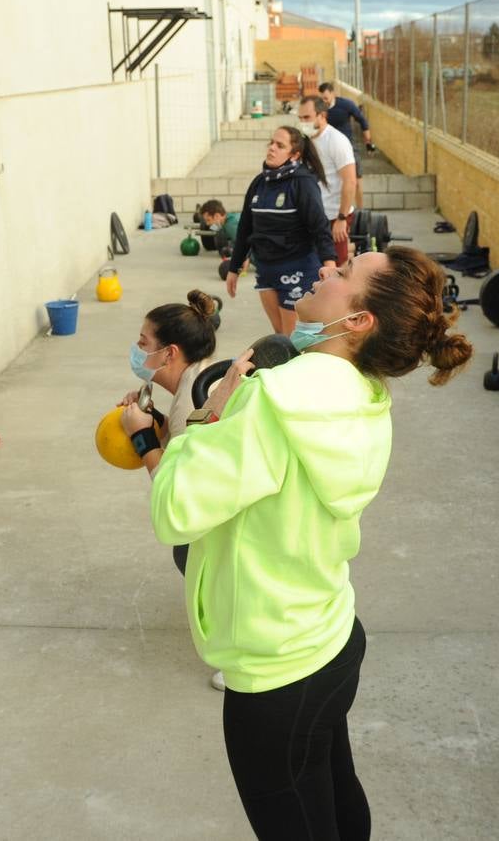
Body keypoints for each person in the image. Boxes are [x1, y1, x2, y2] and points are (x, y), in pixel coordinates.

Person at [121, 246, 474, 839]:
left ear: (357, 320)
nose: (327, 269)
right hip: (330, 635)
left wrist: (208, 416)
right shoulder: (365, 390)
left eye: (345, 272)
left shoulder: (271, 399)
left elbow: (174, 511)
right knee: (335, 795)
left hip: (276, 673)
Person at [116, 289, 225, 690]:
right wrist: (152, 417)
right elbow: (185, 445)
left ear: (169, 353)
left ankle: (241, 649)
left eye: (143, 342)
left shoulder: (191, 403)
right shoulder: (199, 379)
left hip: (237, 517)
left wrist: (142, 437)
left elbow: (177, 491)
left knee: (188, 548)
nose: (136, 349)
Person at [223, 126, 337, 335]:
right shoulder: (259, 183)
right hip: (266, 269)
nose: (272, 148)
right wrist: (234, 267)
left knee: (292, 338)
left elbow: (319, 226)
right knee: (280, 335)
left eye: (280, 145)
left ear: (295, 155)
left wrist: (330, 263)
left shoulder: (302, 183)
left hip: (297, 268)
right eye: (271, 143)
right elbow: (245, 227)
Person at [297, 96, 359, 267]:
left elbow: (350, 181)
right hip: (310, 217)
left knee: (336, 270)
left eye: (307, 117)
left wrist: (341, 218)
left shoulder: (336, 141)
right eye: (300, 118)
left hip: (333, 217)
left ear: (322, 115)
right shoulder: (304, 140)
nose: (303, 122)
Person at [318, 82, 373, 210]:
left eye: (326, 98)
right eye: (321, 99)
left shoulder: (346, 104)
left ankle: (360, 211)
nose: (324, 102)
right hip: (327, 147)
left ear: (333, 93)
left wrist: (368, 141)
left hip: (348, 145)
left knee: (356, 180)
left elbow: (362, 120)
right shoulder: (319, 108)